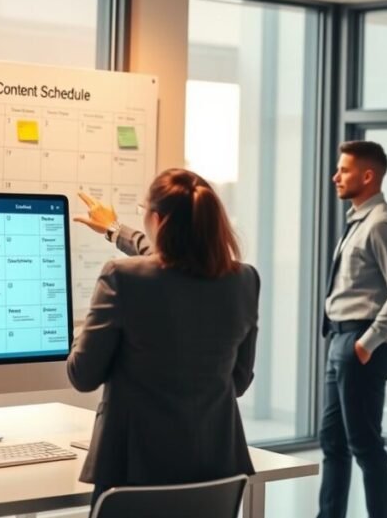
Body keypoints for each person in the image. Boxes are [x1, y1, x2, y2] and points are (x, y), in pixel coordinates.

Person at [67, 168, 260, 512]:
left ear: (156, 219)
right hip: (214, 477)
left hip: (133, 477)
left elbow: (83, 375)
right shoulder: (243, 279)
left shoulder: (120, 278)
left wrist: (78, 334)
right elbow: (239, 381)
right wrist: (114, 230)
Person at [318, 141, 387, 518]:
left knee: (365, 445)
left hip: (360, 343)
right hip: (342, 339)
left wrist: (366, 344)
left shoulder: (380, 223)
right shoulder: (358, 219)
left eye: (343, 170)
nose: (335, 177)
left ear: (368, 175)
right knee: (333, 442)